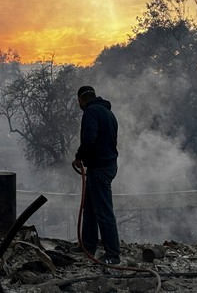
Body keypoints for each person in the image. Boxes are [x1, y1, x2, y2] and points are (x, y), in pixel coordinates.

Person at [72, 85, 121, 265]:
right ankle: (88, 245)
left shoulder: (91, 112)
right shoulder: (108, 113)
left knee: (103, 211)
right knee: (90, 208)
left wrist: (79, 157)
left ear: (81, 100)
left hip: (100, 168)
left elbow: (89, 139)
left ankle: (113, 255)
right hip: (106, 165)